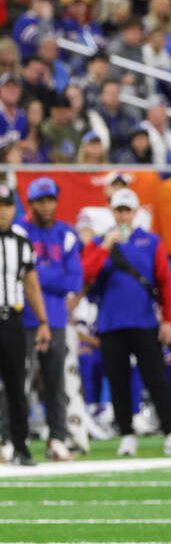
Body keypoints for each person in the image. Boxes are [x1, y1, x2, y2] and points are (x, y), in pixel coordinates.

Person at [80, 188, 171, 457]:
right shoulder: (100, 243)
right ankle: (127, 434)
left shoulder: (150, 242)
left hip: (144, 321)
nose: (123, 215)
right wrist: (104, 246)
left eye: (127, 210)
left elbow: (164, 283)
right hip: (111, 323)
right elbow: (86, 275)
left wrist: (168, 320)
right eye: (119, 210)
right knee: (118, 380)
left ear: (136, 213)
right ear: (112, 212)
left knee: (155, 378)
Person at [21, 177, 82, 461]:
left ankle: (57, 438)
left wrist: (35, 275)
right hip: (22, 319)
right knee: (16, 382)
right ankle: (10, 439)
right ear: (30, 203)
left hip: (55, 319)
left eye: (50, 200)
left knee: (56, 383)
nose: (47, 206)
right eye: (40, 201)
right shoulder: (19, 231)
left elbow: (74, 279)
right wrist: (48, 275)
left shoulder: (67, 234)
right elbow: (13, 275)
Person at [0, 184, 52, 466]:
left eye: (7, 205)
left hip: (12, 320)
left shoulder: (21, 241)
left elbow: (31, 283)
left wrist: (43, 320)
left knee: (16, 384)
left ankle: (20, 446)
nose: (3, 211)